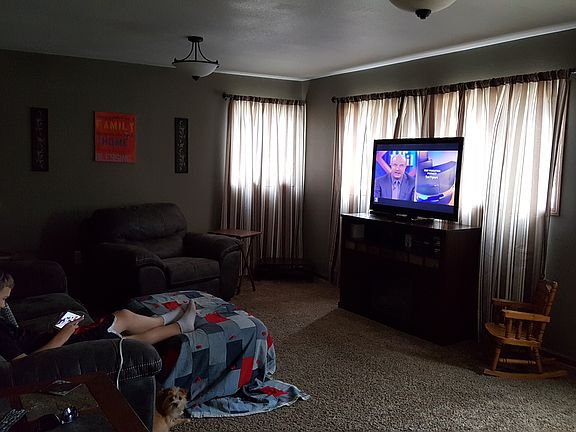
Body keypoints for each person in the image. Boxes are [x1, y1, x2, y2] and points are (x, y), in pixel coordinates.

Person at [0, 271, 196, 362]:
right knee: (122, 339)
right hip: (61, 348)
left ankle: (166, 319)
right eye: (2, 299)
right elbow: (24, 364)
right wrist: (63, 335)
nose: (4, 305)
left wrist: (57, 332)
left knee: (123, 316)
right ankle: (180, 326)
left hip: (54, 339)